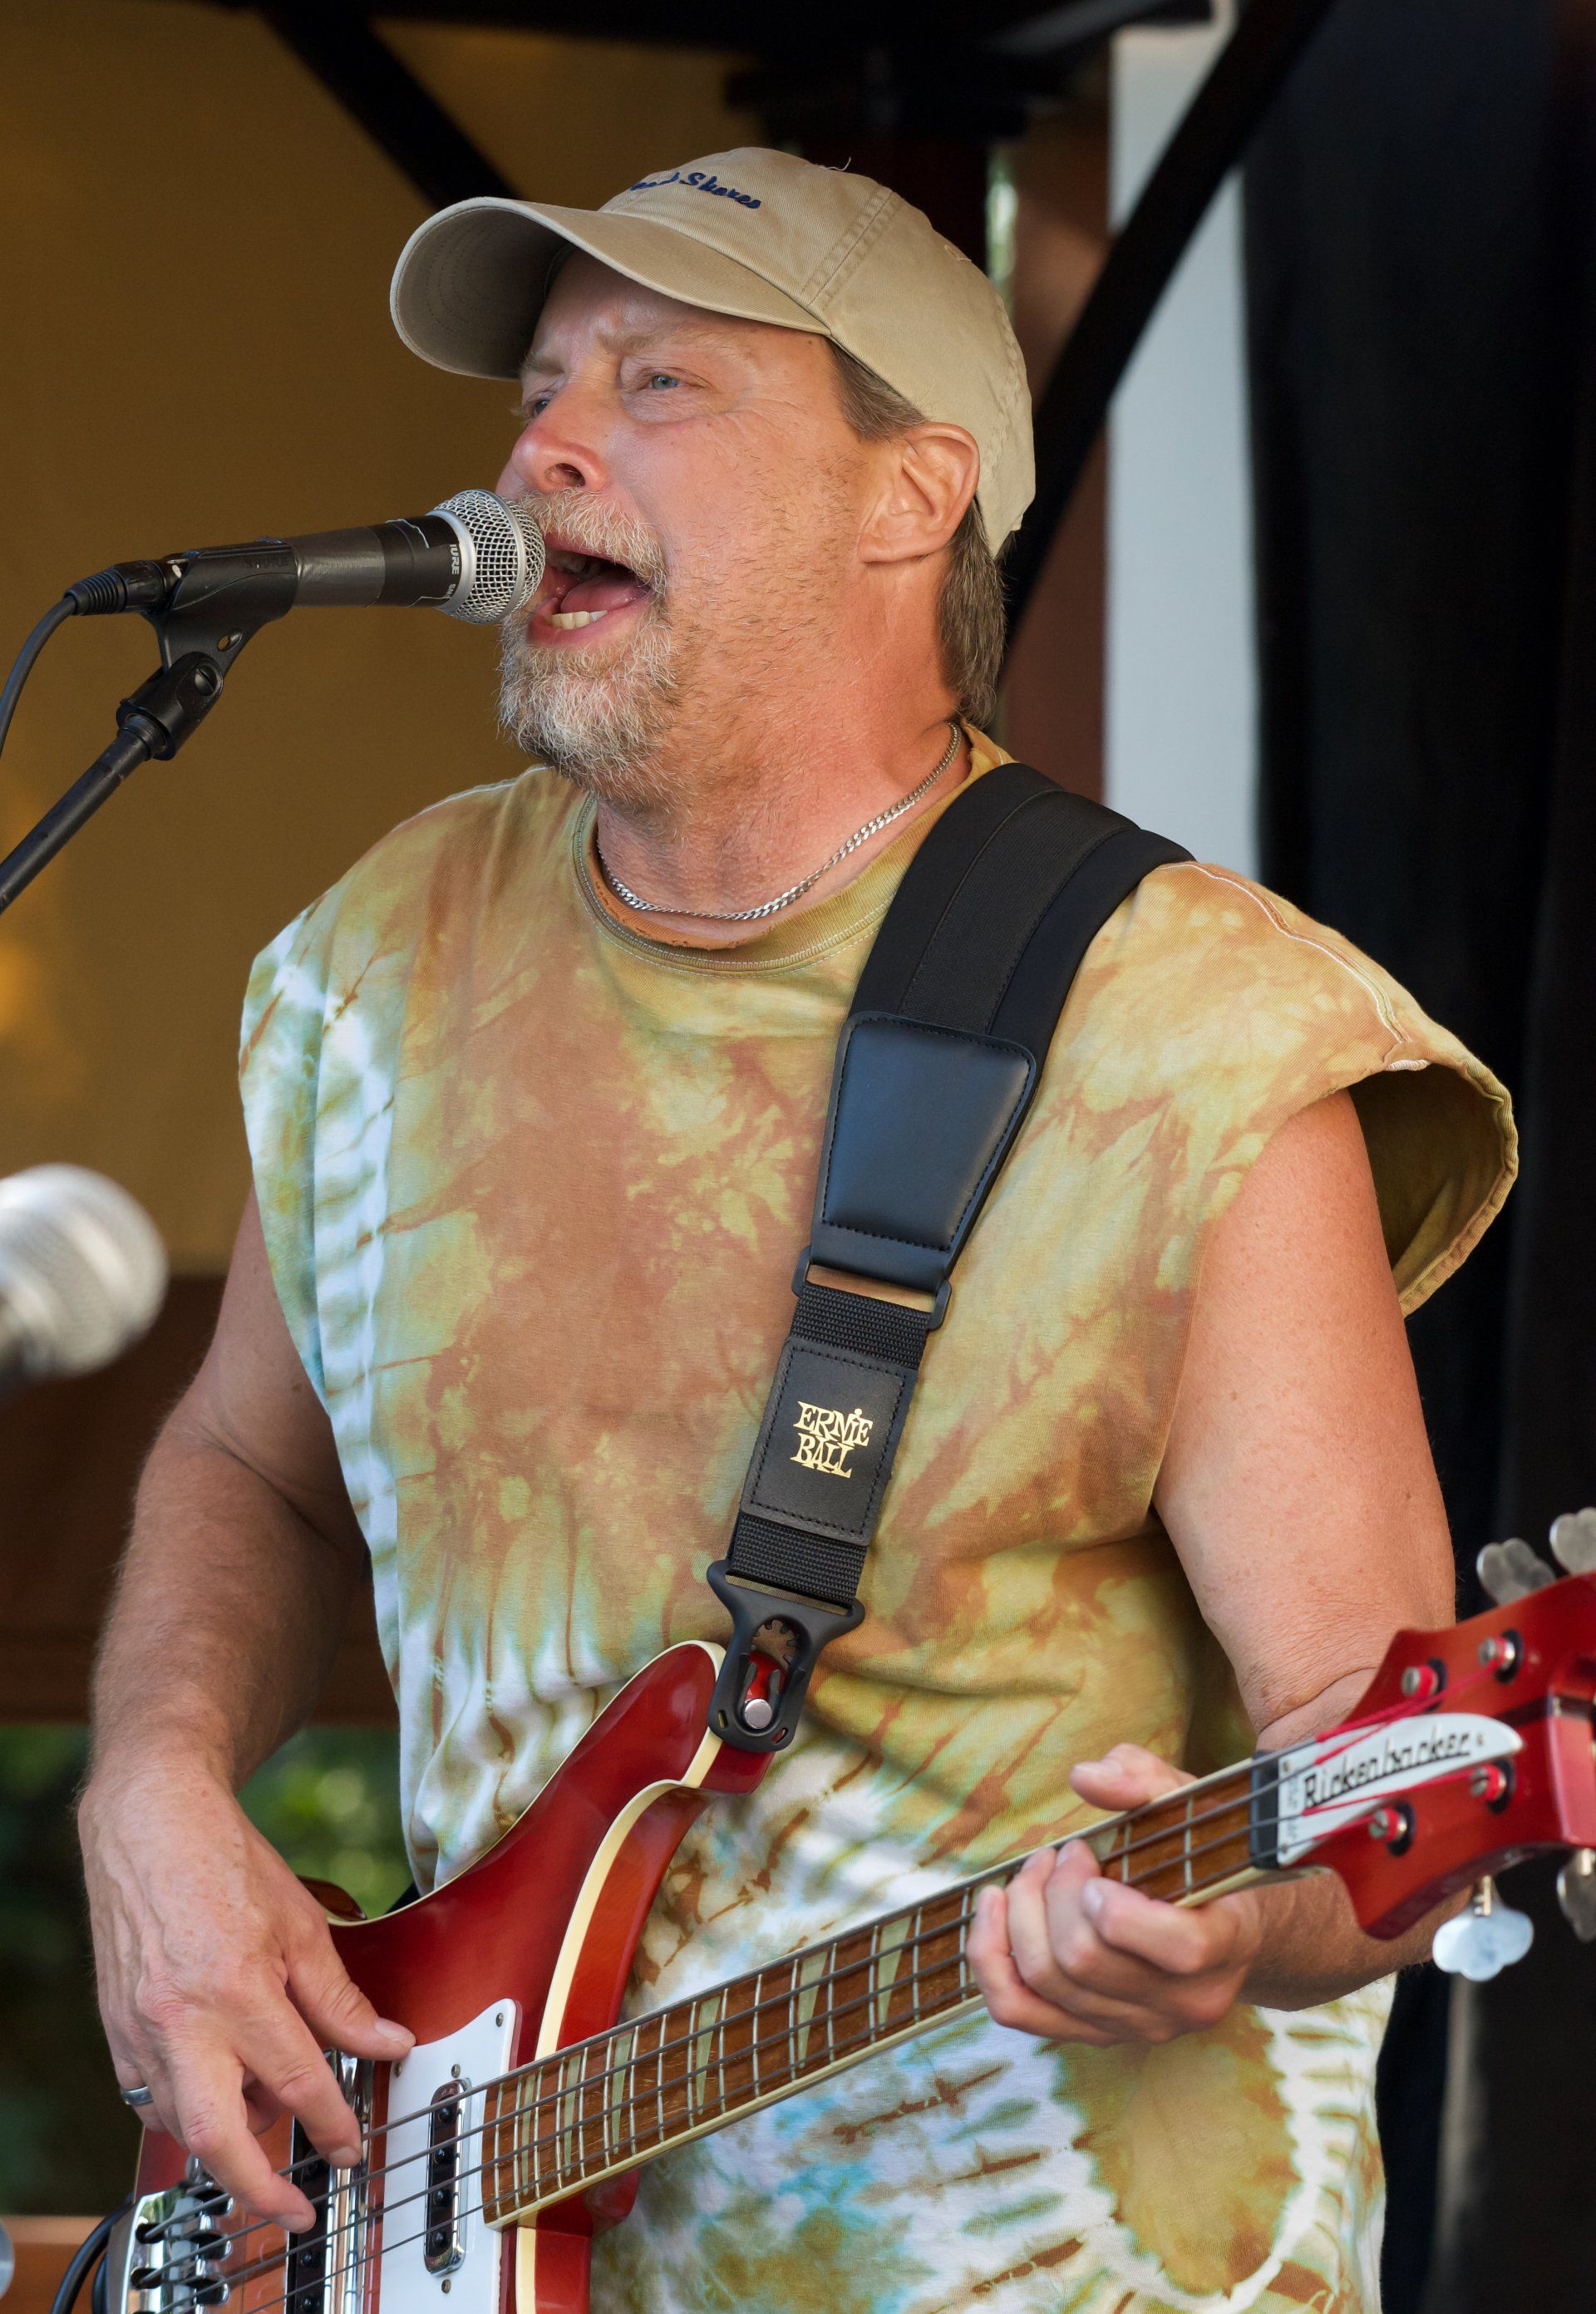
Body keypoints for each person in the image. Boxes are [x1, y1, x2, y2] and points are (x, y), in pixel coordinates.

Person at [78, 150, 1515, 2312]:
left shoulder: (1191, 1036)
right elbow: (247, 1467)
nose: (541, 442)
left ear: (907, 496)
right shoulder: (376, 966)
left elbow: (1387, 1754)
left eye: (659, 382)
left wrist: (1236, 1929)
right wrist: (155, 1777)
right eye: (544, 381)